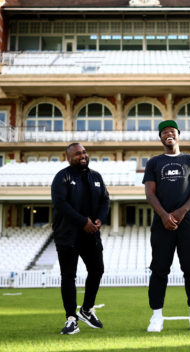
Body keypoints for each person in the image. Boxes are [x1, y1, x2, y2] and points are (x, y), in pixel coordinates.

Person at [143, 120, 190, 332]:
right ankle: (156, 316)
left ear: (178, 134)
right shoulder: (154, 162)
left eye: (172, 131)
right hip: (162, 222)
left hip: (187, 222)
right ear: (160, 138)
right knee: (159, 269)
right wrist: (164, 215)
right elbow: (150, 192)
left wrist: (180, 213)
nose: (168, 134)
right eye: (164, 132)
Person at [51, 143, 110, 335]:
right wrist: (83, 221)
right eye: (77, 154)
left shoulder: (96, 176)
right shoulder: (63, 176)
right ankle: (71, 319)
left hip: (91, 233)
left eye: (84, 152)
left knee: (97, 270)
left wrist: (99, 218)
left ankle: (86, 309)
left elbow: (105, 200)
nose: (82, 156)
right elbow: (60, 204)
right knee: (69, 276)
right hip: (67, 235)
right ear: (68, 157)